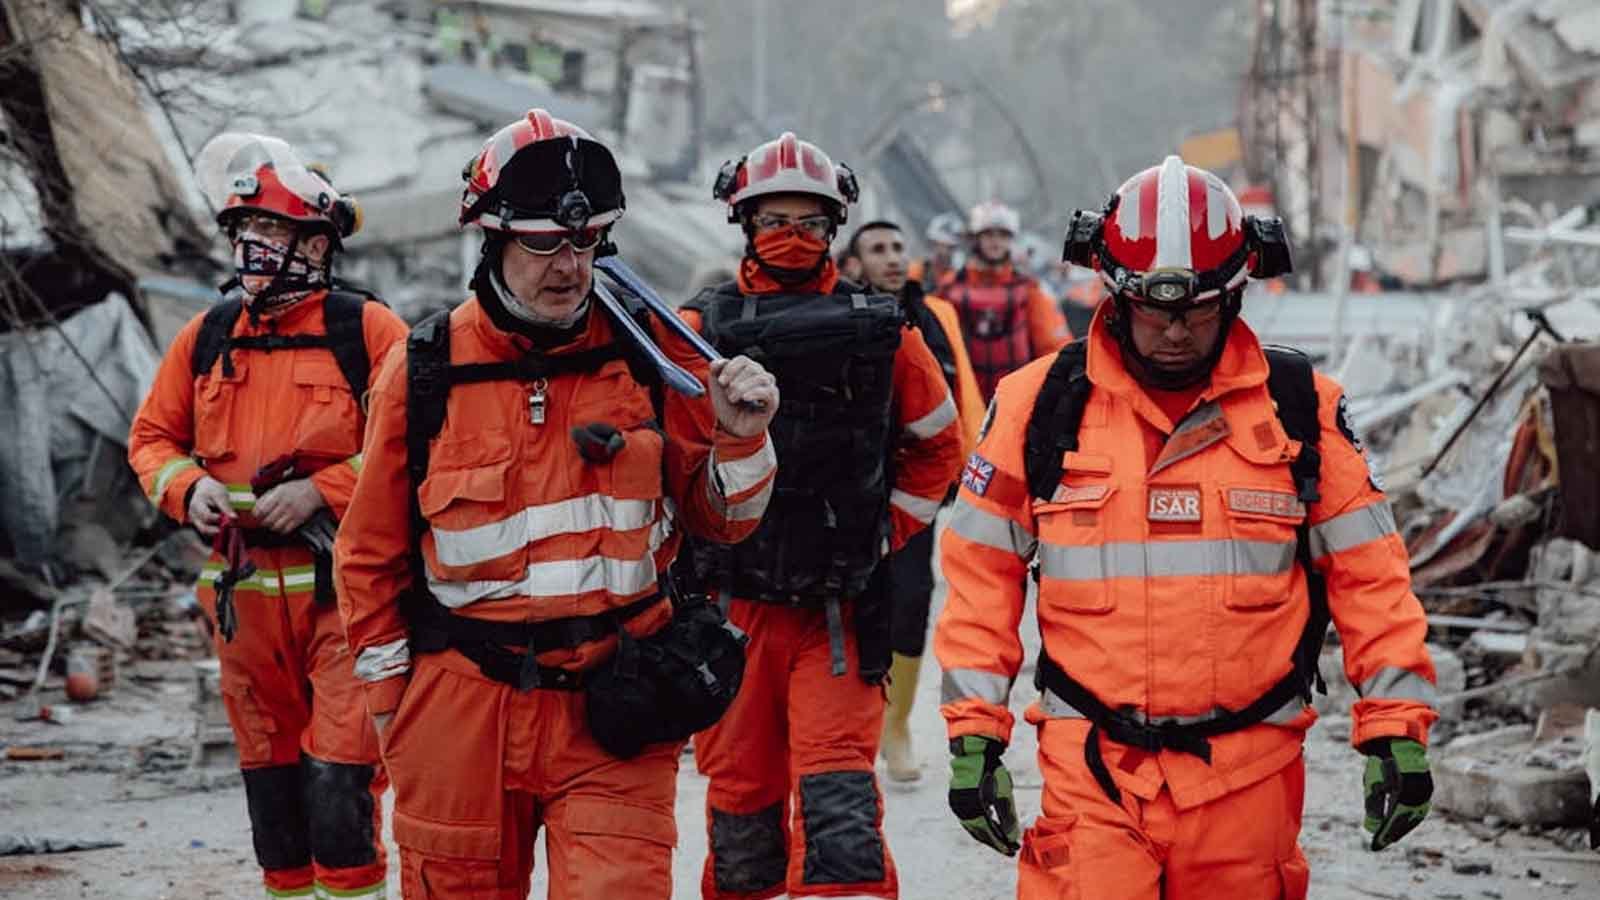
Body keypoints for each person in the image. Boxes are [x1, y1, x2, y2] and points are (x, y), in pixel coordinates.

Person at [934, 156, 1440, 899]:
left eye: (1198, 311)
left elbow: (1371, 576)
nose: (1175, 333)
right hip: (1093, 776)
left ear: (1235, 299)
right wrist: (974, 729)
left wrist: (1394, 722)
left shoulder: (1300, 408)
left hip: (1250, 778)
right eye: (1154, 310)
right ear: (1113, 294)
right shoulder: (1038, 407)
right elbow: (981, 575)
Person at [331, 109, 780, 899]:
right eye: (543, 242)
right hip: (457, 711)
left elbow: (723, 522)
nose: (568, 265)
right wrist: (388, 710)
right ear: (493, 237)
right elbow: (368, 555)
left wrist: (742, 442)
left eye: (584, 241)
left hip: (619, 703)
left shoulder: (653, 357)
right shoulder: (423, 369)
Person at [681, 132, 964, 900]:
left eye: (810, 222)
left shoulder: (884, 331)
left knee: (840, 815)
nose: (793, 238)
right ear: (744, 222)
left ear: (834, 226)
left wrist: (884, 532)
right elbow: (670, 456)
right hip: (734, 610)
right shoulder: (700, 329)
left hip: (837, 616)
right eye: (776, 220)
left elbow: (942, 448)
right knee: (741, 812)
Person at [129, 133, 407, 900]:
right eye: (246, 232)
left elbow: (419, 445)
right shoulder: (209, 336)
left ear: (317, 243)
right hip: (242, 602)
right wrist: (187, 488)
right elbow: (151, 439)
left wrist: (323, 491)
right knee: (273, 794)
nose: (255, 248)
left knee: (340, 781)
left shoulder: (369, 334)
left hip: (342, 599)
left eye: (275, 232)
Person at [841, 219, 983, 783]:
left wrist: (969, 467)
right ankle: (856, 718)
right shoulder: (836, 313)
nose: (894, 257)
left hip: (915, 485)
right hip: (849, 486)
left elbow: (961, 390)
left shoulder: (937, 315)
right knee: (850, 602)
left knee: (912, 597)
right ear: (853, 264)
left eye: (899, 245)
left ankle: (896, 725)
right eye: (878, 249)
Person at [941, 200, 1070, 402]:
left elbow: (1052, 346)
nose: (996, 242)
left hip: (1016, 398)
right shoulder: (949, 288)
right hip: (966, 398)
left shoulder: (1028, 289)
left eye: (1003, 235)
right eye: (989, 234)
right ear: (976, 238)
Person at [907, 211, 963, 292]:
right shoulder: (916, 270)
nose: (946, 252)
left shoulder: (956, 276)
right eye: (941, 245)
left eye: (950, 248)